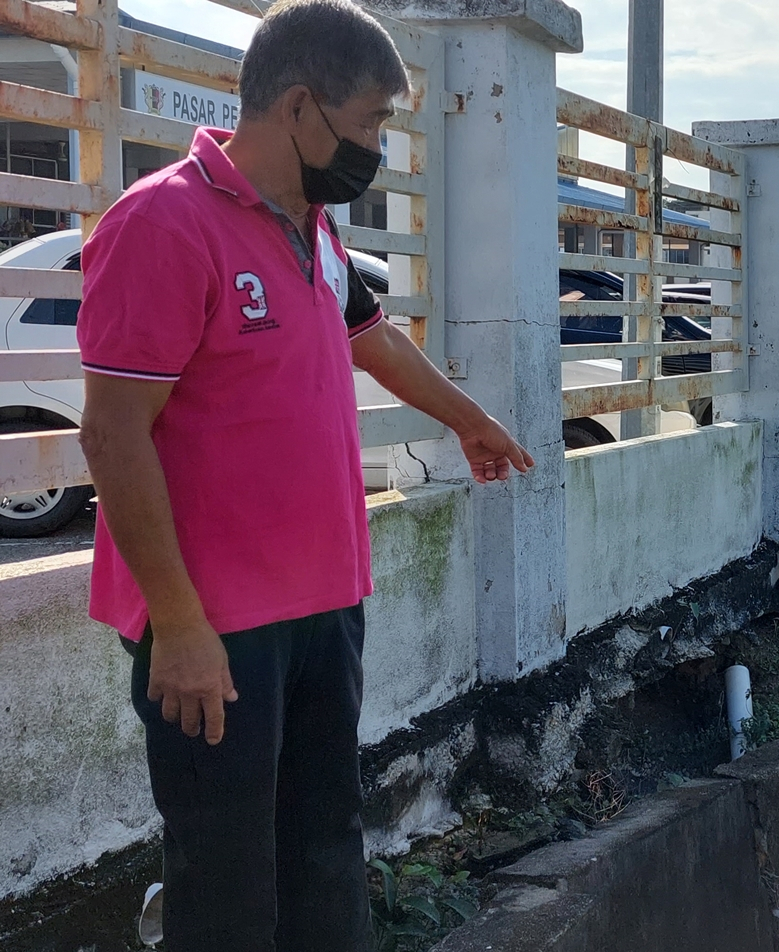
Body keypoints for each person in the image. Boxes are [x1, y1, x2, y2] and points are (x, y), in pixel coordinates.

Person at [75, 1, 534, 948]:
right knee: (227, 876)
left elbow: (375, 339)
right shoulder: (164, 222)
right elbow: (115, 438)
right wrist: (180, 624)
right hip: (215, 625)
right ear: (298, 107)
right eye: (366, 123)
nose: (372, 147)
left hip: (324, 604)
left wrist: (471, 422)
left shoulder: (312, 227)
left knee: (325, 847)